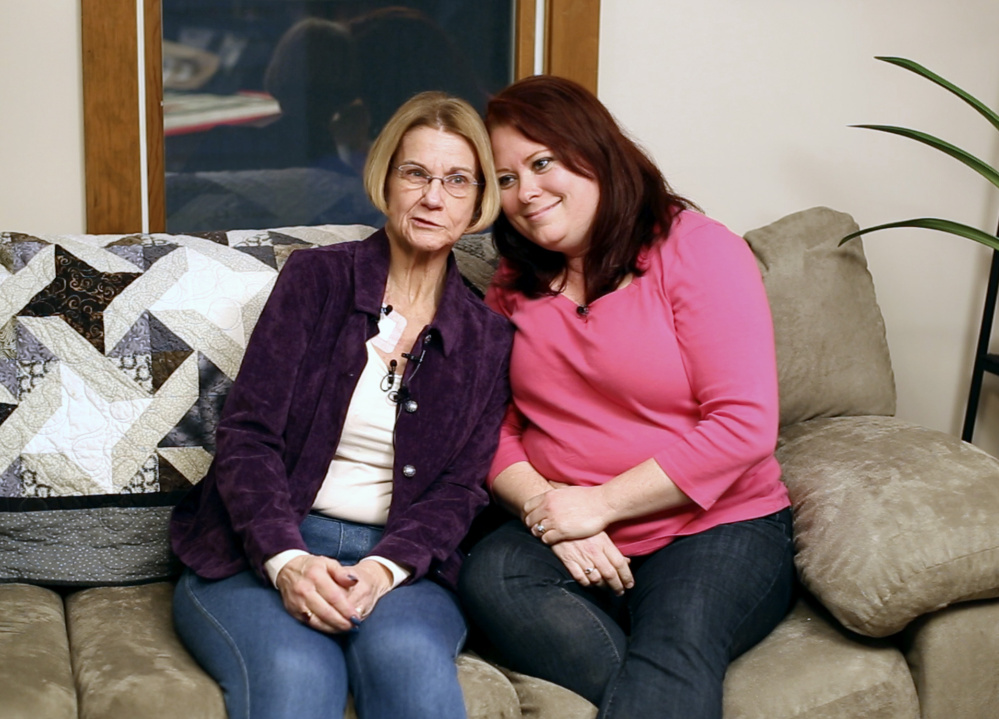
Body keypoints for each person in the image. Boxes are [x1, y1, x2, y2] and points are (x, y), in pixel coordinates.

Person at [457, 75, 795, 719]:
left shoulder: (696, 249)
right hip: (567, 525)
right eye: (504, 179)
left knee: (677, 642)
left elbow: (745, 425)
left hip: (715, 527)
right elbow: (489, 430)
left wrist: (603, 504)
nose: (526, 193)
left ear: (595, 150)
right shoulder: (512, 284)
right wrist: (553, 509)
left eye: (541, 162)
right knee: (490, 579)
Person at [170, 91, 512, 719]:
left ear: (478, 201)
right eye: (416, 173)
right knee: (298, 675)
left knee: (410, 667)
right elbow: (248, 437)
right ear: (386, 179)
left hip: (402, 563)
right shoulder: (316, 280)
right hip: (271, 542)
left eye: (456, 180)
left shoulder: (488, 339)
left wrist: (385, 570)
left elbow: (461, 490)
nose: (433, 197)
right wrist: (289, 561)